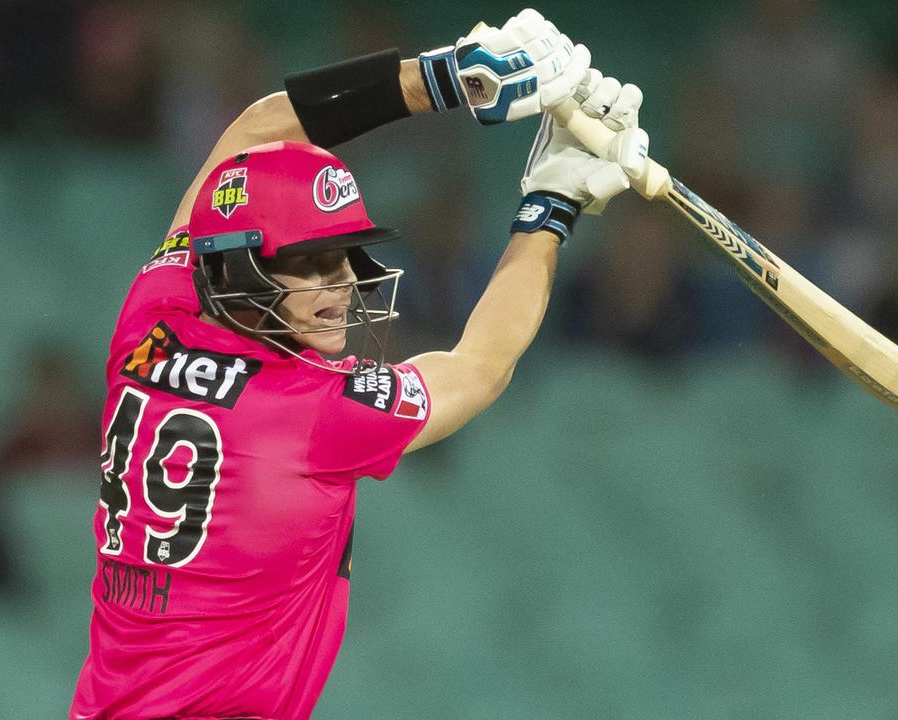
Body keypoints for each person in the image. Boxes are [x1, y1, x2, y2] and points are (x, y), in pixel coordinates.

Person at [70, 10, 650, 719]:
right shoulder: (315, 412)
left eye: (344, 254)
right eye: (310, 264)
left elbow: (254, 133)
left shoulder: (152, 318)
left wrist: (447, 77)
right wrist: (550, 208)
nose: (343, 282)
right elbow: (479, 368)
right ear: (244, 272)